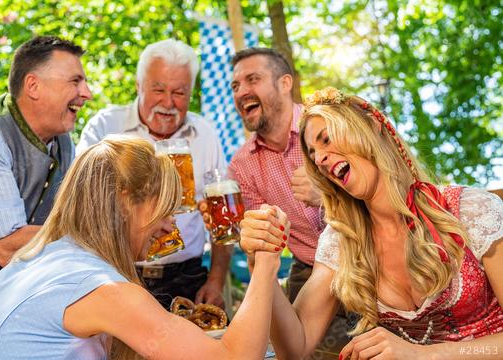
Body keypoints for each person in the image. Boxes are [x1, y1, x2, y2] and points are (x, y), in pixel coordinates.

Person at [240, 87, 503, 359]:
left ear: (373, 127)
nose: (320, 158)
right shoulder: (342, 239)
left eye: (327, 139)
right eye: (314, 154)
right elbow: (295, 347)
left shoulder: (469, 211)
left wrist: (421, 354)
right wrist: (261, 264)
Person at [0, 136, 286, 360]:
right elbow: (235, 357)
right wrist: (266, 261)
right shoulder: (103, 288)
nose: (169, 226)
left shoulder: (37, 258)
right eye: (163, 209)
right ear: (125, 201)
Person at [77, 39, 230, 309]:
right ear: (138, 86)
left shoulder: (204, 133)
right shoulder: (105, 127)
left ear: (191, 93)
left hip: (188, 277)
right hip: (119, 273)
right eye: (158, 89)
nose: (168, 102)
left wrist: (216, 280)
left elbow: (221, 216)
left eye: (180, 93)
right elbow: (84, 208)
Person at [0, 35, 91, 351]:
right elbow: (8, 247)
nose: (87, 93)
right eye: (75, 81)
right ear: (33, 86)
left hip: (12, 299)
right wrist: (102, 233)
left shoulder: (63, 142)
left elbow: (66, 223)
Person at [227, 47, 351, 357]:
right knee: (305, 352)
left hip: (366, 254)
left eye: (252, 79)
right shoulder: (241, 165)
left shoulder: (327, 127)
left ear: (285, 83)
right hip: (309, 267)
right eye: (235, 86)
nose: (242, 91)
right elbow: (263, 243)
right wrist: (252, 237)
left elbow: (383, 189)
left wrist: (329, 194)